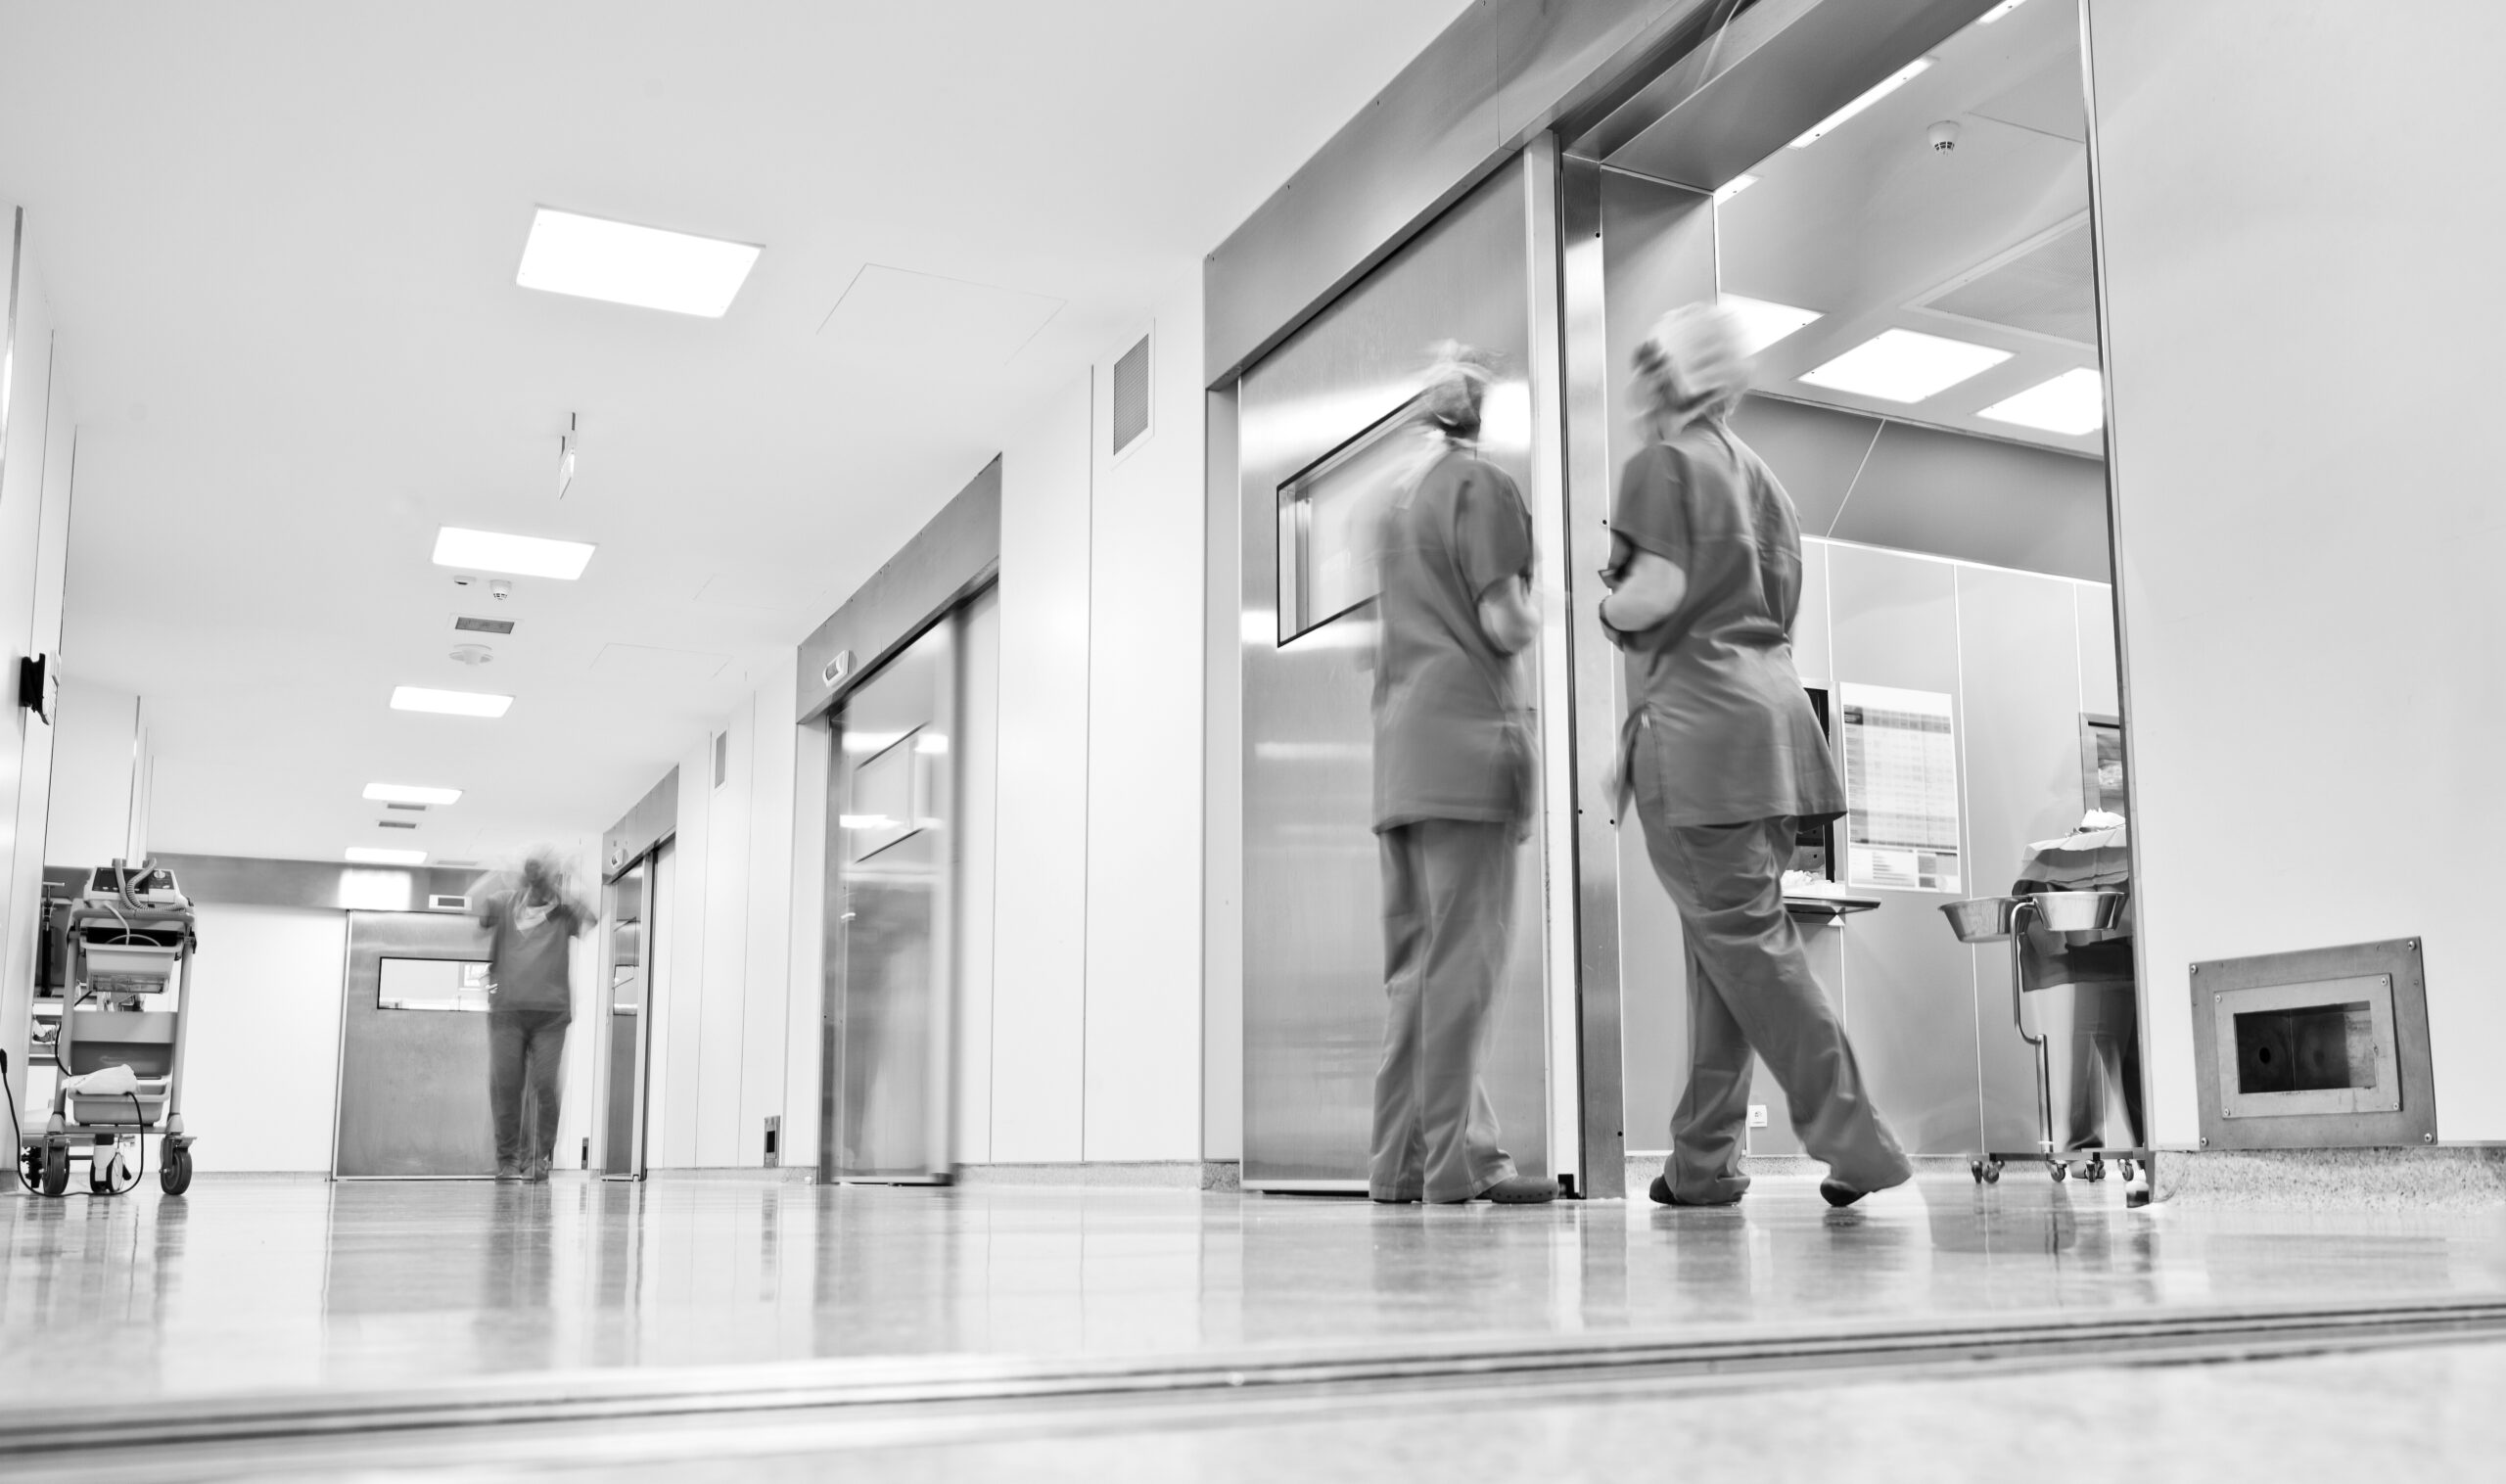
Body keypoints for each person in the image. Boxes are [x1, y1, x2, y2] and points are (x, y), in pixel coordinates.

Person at [1601, 303, 1912, 1210]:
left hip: (1700, 743)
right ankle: (1702, 1163)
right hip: (1769, 736)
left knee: (1749, 950)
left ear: (1666, 378)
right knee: (1725, 956)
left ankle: (1857, 1141)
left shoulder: (1662, 464)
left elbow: (1650, 593)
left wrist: (1605, 601)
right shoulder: (1764, 479)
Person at [1368, 343, 1555, 1207]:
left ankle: (1399, 1166)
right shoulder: (1481, 487)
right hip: (1466, 752)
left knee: (1414, 970)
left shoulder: (1395, 504)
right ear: (1484, 408)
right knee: (1462, 971)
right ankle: (1450, 1168)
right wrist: (1548, 600)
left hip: (1402, 758)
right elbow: (1505, 620)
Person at [476, 849, 589, 1183]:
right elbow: (475, 909)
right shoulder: (503, 901)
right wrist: (501, 869)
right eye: (531, 873)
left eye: (545, 873)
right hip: (507, 1013)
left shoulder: (565, 911)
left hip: (551, 1016)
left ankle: (537, 1158)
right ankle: (508, 1160)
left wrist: (568, 881)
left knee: (544, 1085)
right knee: (506, 1086)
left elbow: (595, 915)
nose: (537, 880)